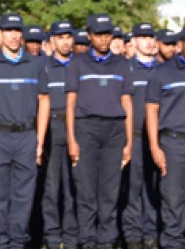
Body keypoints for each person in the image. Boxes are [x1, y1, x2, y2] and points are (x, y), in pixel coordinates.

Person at [0, 13, 50, 249]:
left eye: (17, 31)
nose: (14, 36)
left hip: (27, 136)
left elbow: (44, 100)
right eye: (9, 31)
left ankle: (17, 243)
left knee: (24, 198)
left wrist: (40, 140)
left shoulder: (36, 64)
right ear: (0, 34)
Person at [66, 14, 133, 249]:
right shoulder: (77, 63)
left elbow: (127, 104)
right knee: (86, 191)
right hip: (86, 129)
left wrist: (129, 142)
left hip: (115, 131)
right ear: (89, 35)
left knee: (110, 191)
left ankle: (106, 241)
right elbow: (71, 103)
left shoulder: (122, 63)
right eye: (99, 34)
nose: (104, 39)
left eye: (108, 34)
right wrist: (72, 139)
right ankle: (87, 240)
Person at [145, 23, 185, 248]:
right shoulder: (162, 72)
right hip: (173, 144)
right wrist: (155, 147)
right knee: (173, 199)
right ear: (180, 45)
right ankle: (173, 243)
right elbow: (151, 110)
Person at [122, 23, 160, 249]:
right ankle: (133, 235)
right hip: (133, 137)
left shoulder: (163, 69)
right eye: (142, 37)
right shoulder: (126, 70)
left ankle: (151, 232)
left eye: (151, 36)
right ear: (133, 42)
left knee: (154, 187)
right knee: (133, 188)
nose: (148, 41)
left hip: (159, 139)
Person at [41, 21, 78, 249]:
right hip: (53, 128)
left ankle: (72, 236)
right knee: (52, 187)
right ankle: (53, 237)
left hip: (77, 129)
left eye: (68, 37)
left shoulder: (81, 65)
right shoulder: (42, 67)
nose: (65, 42)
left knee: (74, 186)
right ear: (52, 41)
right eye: (60, 37)